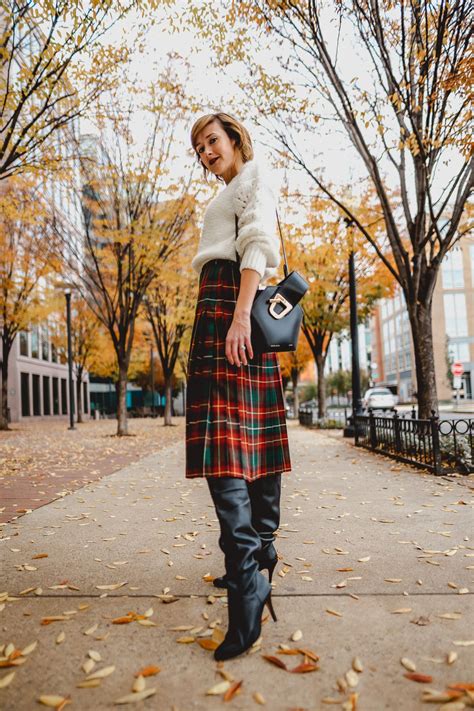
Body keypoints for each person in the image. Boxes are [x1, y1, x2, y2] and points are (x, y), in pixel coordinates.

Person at [185, 112, 292, 661]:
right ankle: (260, 555)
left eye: (212, 141)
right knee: (247, 443)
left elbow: (257, 244)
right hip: (219, 309)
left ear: (234, 139)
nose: (206, 151)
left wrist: (241, 315)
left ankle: (247, 576)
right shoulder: (231, 189)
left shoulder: (253, 177)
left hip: (233, 306)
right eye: (199, 147)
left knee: (228, 448)